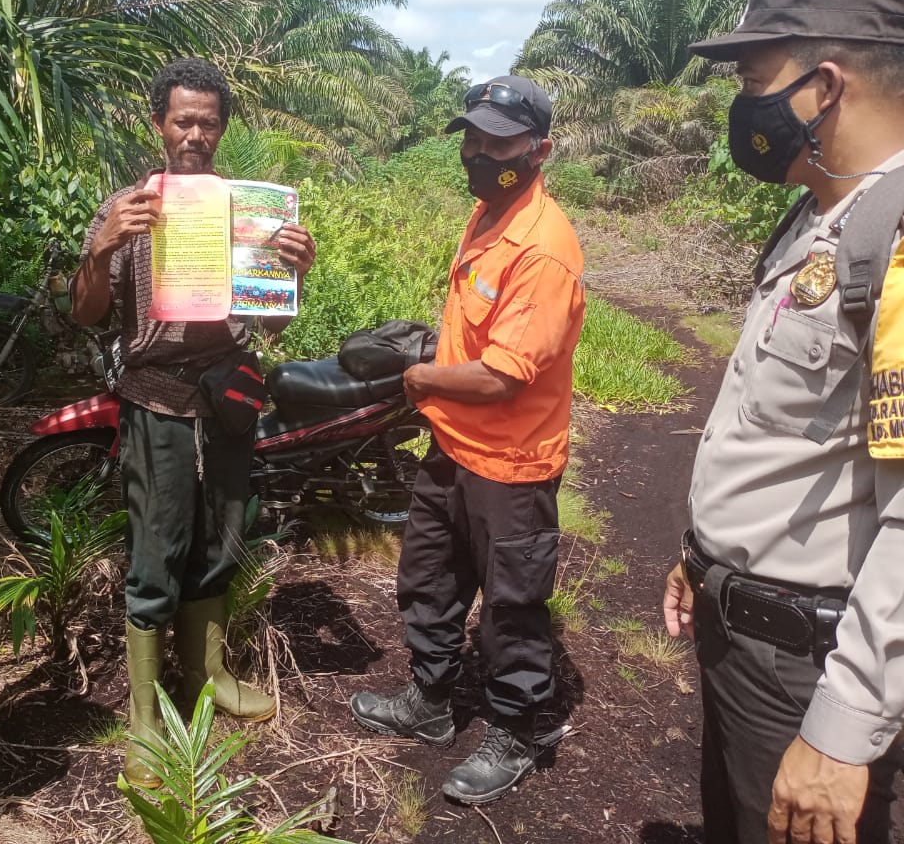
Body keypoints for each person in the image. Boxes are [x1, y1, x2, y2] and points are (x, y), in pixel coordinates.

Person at [662, 0, 904, 844]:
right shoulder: (817, 216)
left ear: (824, 86)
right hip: (746, 636)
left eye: (755, 81)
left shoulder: (895, 236)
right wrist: (705, 551)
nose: (743, 106)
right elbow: (778, 429)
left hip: (816, 667)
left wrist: (843, 731)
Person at [69, 58, 316, 787]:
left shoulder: (251, 212)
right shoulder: (128, 208)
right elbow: (83, 312)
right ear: (159, 125)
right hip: (157, 399)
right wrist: (103, 246)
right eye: (183, 120)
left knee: (223, 536)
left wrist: (293, 270)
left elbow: (270, 320)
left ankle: (207, 676)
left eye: (209, 122)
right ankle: (144, 716)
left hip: (232, 395)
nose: (196, 134)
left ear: (223, 128)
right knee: (158, 550)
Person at [350, 75, 585, 806]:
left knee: (513, 606)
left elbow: (503, 379)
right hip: (453, 450)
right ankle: (430, 700)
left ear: (540, 149)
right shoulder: (489, 212)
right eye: (474, 139)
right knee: (430, 579)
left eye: (501, 142)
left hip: (511, 464)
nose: (482, 153)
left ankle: (518, 729)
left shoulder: (542, 248)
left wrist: (420, 380)